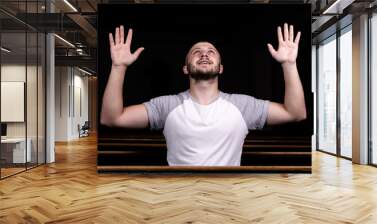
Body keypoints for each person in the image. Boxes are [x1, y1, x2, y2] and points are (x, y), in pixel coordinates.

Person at [100, 24, 306, 166]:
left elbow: (295, 114)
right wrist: (118, 67)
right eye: (196, 52)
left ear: (221, 68)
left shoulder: (243, 105)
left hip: (229, 198)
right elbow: (112, 118)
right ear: (185, 69)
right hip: (177, 197)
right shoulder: (166, 105)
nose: (204, 53)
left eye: (211, 51)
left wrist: (289, 64)